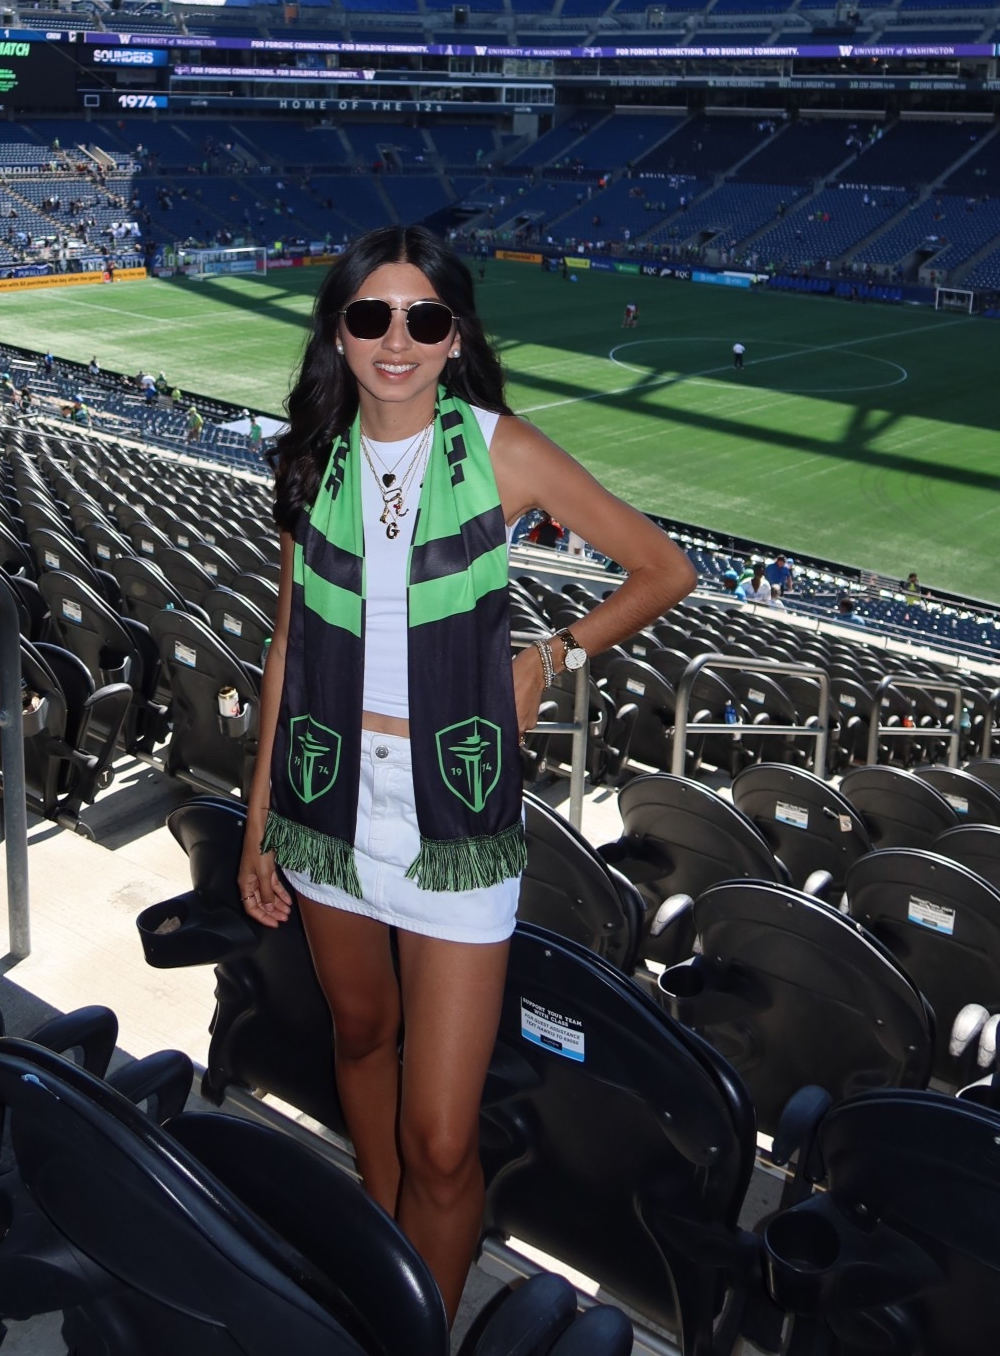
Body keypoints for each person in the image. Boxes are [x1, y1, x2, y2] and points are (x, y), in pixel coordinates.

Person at [238, 224, 695, 1322]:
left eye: (423, 318)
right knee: (358, 1037)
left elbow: (664, 567)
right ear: (338, 332)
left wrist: (551, 653)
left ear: (453, 339)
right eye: (370, 316)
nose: (396, 339)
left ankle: (411, 1328)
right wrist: (261, 820)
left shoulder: (503, 450)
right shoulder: (311, 454)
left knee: (442, 1137)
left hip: (456, 820)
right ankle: (385, 1248)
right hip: (327, 804)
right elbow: (291, 646)